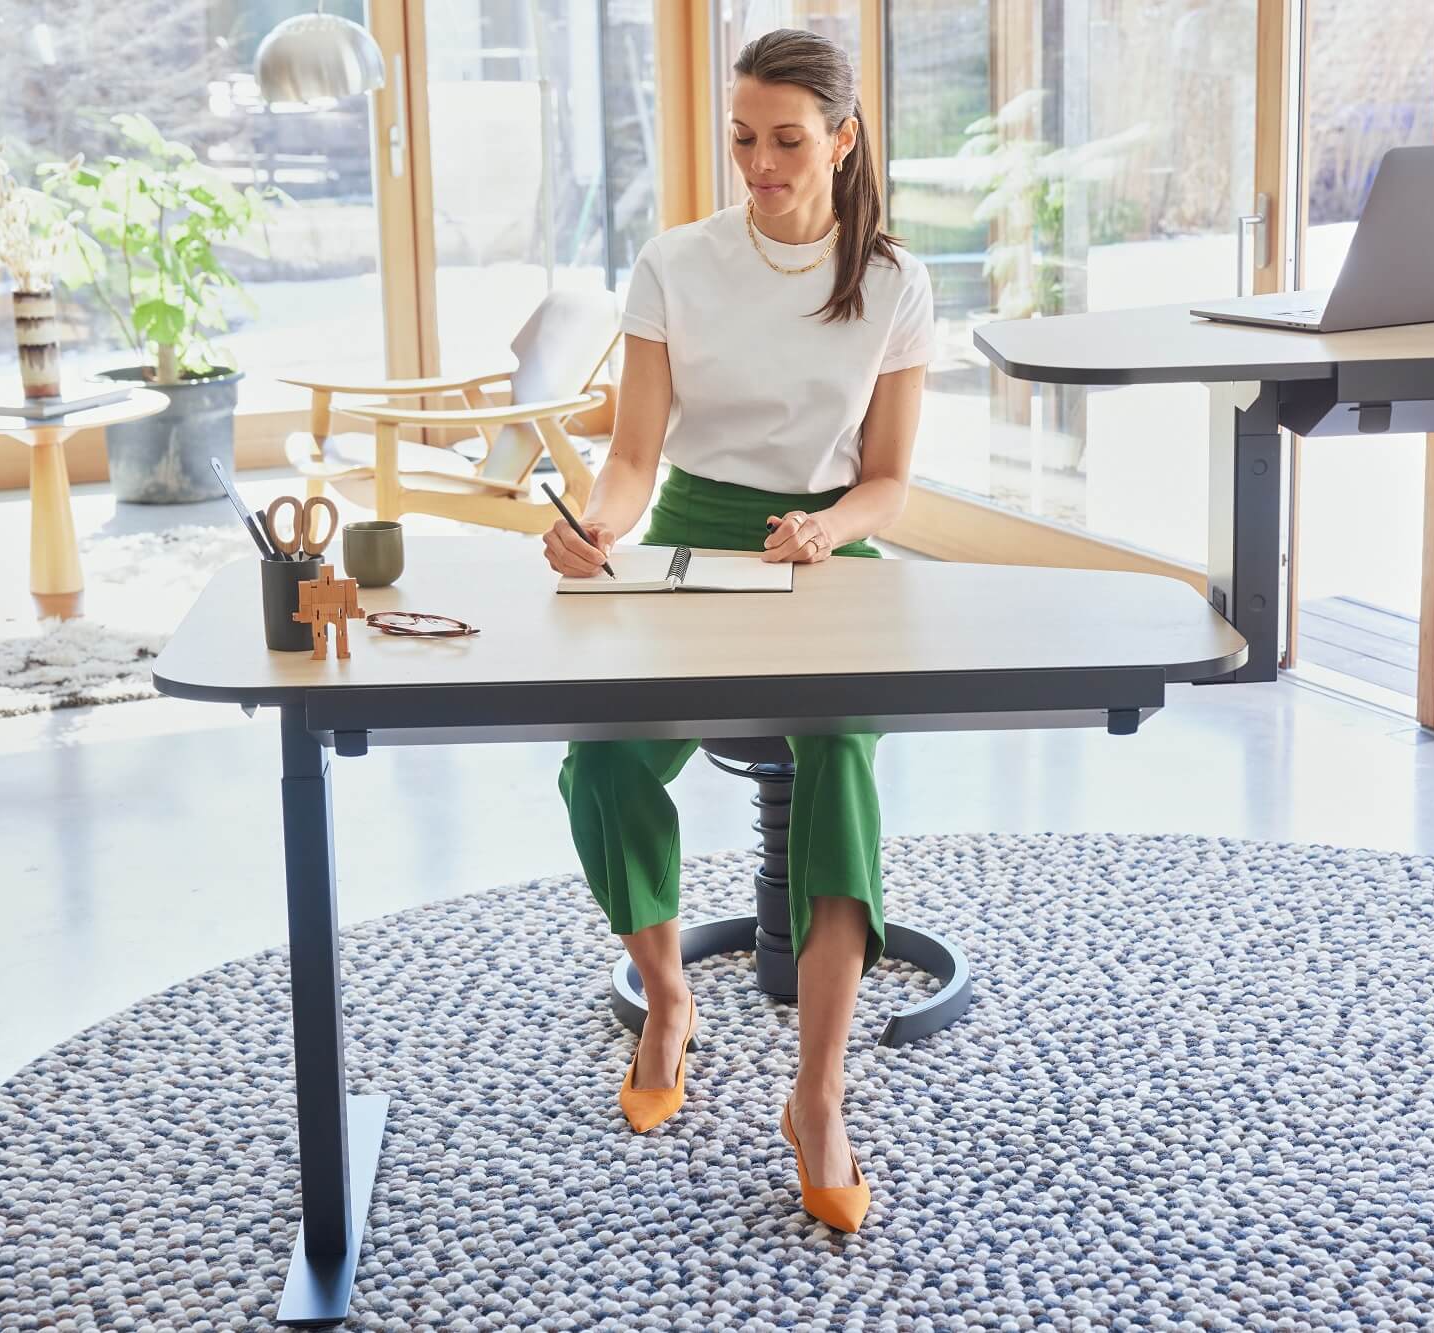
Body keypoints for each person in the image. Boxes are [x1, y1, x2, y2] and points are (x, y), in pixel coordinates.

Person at [542, 26, 934, 1235]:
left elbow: (885, 482)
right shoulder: (674, 262)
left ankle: (817, 1093)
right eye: (742, 139)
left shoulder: (895, 282)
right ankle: (667, 999)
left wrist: (828, 530)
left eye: (787, 141)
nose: (759, 165)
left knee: (842, 768)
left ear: (842, 139)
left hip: (824, 555)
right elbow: (632, 458)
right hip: (690, 538)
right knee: (599, 762)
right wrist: (597, 530)